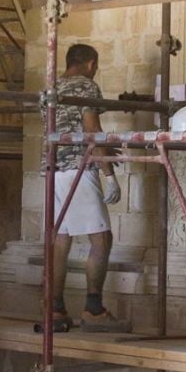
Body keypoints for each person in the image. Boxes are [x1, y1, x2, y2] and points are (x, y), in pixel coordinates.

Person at [45, 43, 129, 333]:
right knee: (101, 239)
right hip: (79, 169)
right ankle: (94, 309)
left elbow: (69, 131)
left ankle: (55, 309)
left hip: (54, 170)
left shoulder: (52, 87)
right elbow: (92, 131)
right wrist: (108, 174)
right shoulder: (86, 86)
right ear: (92, 63)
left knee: (61, 239)